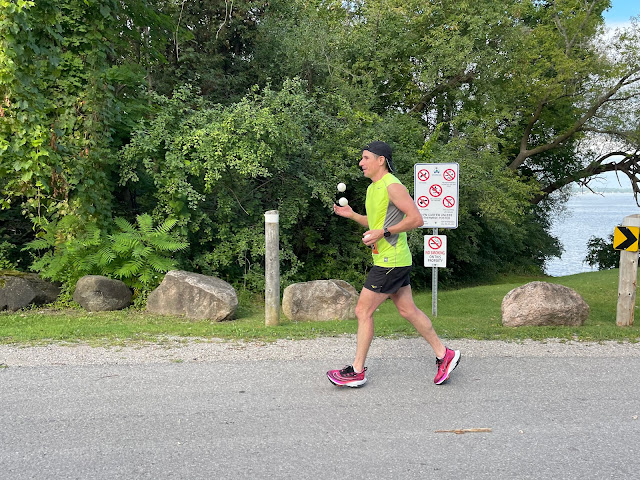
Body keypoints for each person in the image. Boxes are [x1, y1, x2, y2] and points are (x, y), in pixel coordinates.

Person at [327, 141, 460, 387]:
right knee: (407, 310)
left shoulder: (393, 186)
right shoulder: (373, 189)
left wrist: (384, 232)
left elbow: (416, 219)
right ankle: (445, 354)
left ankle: (357, 371)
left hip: (392, 260)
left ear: (381, 160)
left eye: (366, 158)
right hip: (388, 259)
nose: (361, 162)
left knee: (362, 311)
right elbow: (375, 222)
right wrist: (353, 215)